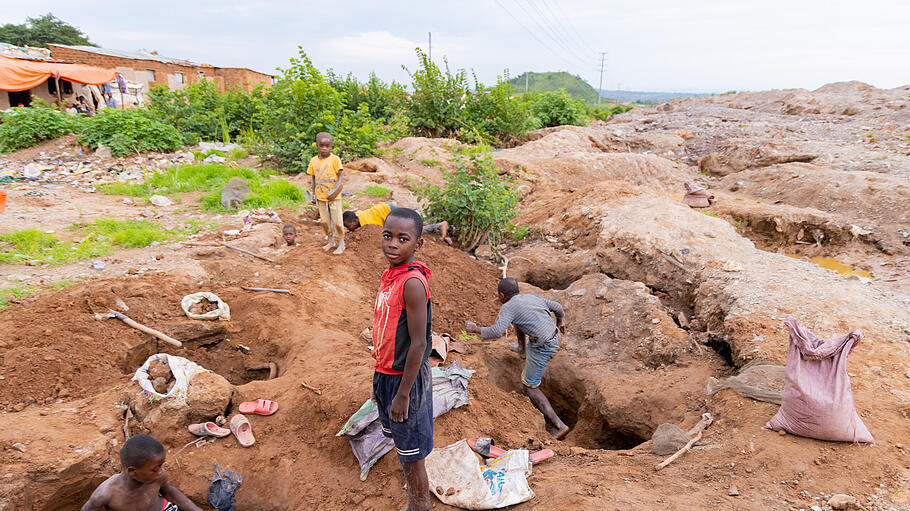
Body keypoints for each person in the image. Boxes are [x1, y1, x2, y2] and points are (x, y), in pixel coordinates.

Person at [372, 207, 433, 511]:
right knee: (404, 448)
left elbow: (419, 343)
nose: (392, 244)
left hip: (404, 380)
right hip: (386, 374)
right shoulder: (390, 276)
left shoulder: (411, 283)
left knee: (413, 454)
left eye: (402, 239)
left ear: (417, 244)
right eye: (387, 236)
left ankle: (420, 506)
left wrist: (403, 394)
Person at [465, 277, 570, 439]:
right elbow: (557, 307)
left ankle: (558, 425)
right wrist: (561, 322)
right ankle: (522, 349)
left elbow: (496, 331)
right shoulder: (531, 297)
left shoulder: (508, 307)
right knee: (520, 321)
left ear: (501, 295)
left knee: (529, 387)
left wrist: (475, 329)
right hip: (553, 336)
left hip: (543, 347)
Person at [81, 434, 203, 511]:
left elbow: (170, 492)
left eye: (161, 466)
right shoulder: (105, 494)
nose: (160, 471)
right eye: (156, 468)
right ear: (133, 471)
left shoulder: (157, 478)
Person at [307, 132, 345, 254]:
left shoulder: (335, 160)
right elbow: (313, 178)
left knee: (337, 221)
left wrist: (336, 189)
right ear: (317, 145)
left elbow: (340, 176)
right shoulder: (313, 161)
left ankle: (341, 243)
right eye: (321, 145)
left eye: (327, 146)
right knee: (324, 221)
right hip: (321, 196)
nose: (324, 148)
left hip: (334, 195)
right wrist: (313, 193)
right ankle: (331, 241)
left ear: (331, 146)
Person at [343, 202, 452, 245]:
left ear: (354, 221)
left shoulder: (368, 224)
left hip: (390, 213)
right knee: (412, 218)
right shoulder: (358, 215)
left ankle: (437, 226)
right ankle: (436, 222)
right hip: (387, 207)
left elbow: (378, 231)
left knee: (409, 230)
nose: (348, 228)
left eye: (348, 226)